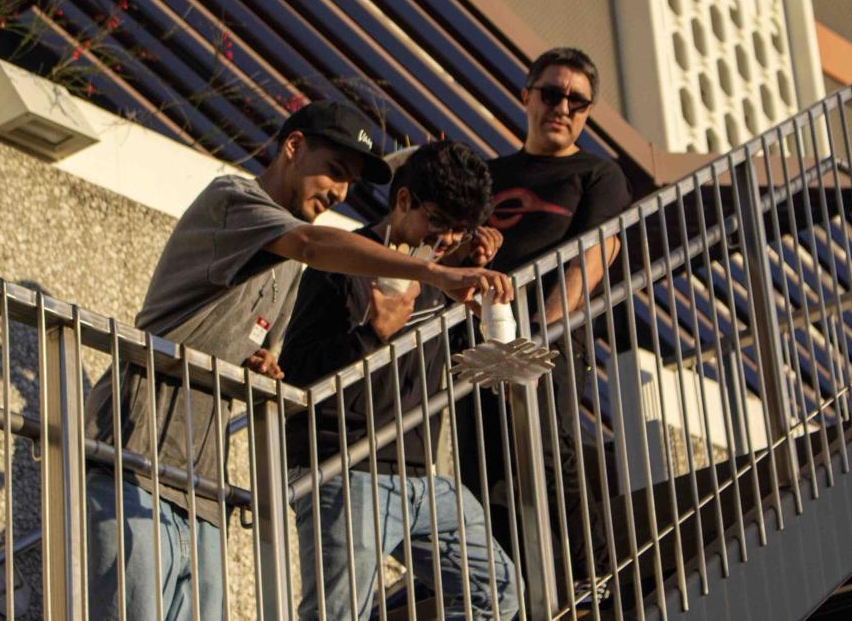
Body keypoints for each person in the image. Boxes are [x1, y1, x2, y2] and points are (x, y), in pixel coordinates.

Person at [83, 102, 513, 621]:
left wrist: (261, 367)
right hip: (132, 450)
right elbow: (310, 245)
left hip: (202, 479)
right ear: (293, 147)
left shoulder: (289, 263)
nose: (340, 192)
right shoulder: (234, 200)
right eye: (335, 170)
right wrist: (430, 279)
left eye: (350, 182)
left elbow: (266, 352)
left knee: (503, 592)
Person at [281, 141, 520, 621]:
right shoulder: (342, 263)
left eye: (460, 229)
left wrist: (471, 281)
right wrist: (372, 334)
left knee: (498, 594)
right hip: (344, 468)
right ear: (404, 200)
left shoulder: (443, 275)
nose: (446, 239)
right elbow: (298, 372)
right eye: (438, 222)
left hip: (418, 476)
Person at [458, 47, 633, 603]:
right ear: (526, 96)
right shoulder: (488, 176)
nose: (562, 107)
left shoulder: (596, 174)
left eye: (577, 101)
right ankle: (515, 589)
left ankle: (595, 574)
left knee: (550, 447)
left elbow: (593, 257)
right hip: (474, 336)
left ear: (587, 112)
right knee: (479, 464)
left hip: (544, 336)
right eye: (552, 94)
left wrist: (538, 335)